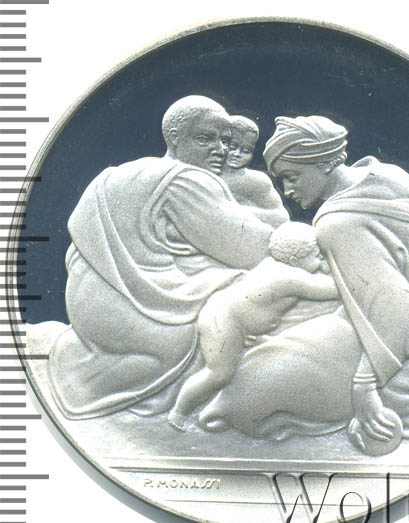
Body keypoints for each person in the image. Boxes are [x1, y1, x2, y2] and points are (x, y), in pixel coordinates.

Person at [48, 96, 277, 420]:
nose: (220, 150)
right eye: (205, 139)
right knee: (263, 294)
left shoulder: (115, 174)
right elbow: (252, 249)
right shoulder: (185, 180)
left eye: (225, 141)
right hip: (141, 313)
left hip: (87, 306)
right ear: (174, 138)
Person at [263, 115, 409, 452]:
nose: (287, 191)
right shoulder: (386, 174)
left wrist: (365, 386)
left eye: (292, 177)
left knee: (269, 383)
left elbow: (394, 306)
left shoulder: (337, 225)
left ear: (324, 163)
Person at [167, 222, 338, 430]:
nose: (320, 261)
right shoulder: (291, 277)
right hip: (224, 322)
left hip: (229, 319)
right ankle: (179, 412)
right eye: (316, 256)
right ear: (294, 261)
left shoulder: (272, 264)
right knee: (218, 374)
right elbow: (333, 290)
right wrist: (334, 265)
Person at [222, 115, 289, 228]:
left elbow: (281, 217)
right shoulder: (205, 173)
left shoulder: (256, 180)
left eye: (246, 150)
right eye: (232, 147)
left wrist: (237, 211)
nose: (237, 154)